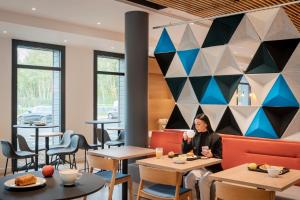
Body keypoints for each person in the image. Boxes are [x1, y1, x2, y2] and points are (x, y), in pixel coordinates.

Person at [182, 113, 222, 200]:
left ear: (206, 124)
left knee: (203, 181)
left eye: (198, 124)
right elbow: (184, 152)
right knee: (188, 179)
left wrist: (211, 155)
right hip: (199, 167)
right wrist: (185, 141)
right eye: (195, 124)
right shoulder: (195, 136)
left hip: (213, 168)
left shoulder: (215, 137)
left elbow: (219, 157)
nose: (196, 126)